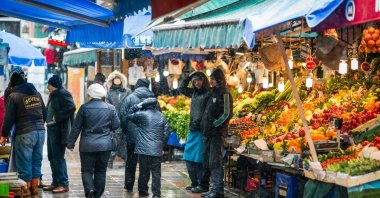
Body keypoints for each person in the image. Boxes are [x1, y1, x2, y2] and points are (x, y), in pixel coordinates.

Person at [67, 83, 120, 198]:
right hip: (105, 145)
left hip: (87, 145)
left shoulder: (84, 108)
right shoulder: (110, 108)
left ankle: (90, 189)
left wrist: (71, 143)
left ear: (90, 94)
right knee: (101, 171)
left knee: (86, 170)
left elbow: (76, 127)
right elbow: (116, 125)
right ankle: (97, 195)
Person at [0, 72, 47, 197]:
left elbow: (8, 119)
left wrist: (4, 135)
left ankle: (26, 192)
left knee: (24, 163)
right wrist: (39, 126)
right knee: (36, 162)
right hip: (41, 132)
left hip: (25, 132)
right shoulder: (36, 93)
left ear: (13, 84)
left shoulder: (14, 96)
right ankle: (35, 191)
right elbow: (45, 113)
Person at [126, 98, 169, 198]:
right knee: (156, 173)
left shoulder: (142, 115)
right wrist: (162, 146)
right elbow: (166, 133)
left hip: (143, 149)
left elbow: (128, 116)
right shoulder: (162, 116)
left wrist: (136, 106)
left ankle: (143, 191)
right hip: (156, 149)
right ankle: (156, 194)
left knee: (143, 171)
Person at [119, 78, 157, 192]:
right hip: (148, 136)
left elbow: (123, 115)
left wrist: (126, 130)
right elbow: (158, 117)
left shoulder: (130, 98)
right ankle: (143, 189)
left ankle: (129, 185)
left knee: (131, 161)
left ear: (137, 86)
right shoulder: (153, 100)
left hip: (133, 135)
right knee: (145, 163)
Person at [200, 69, 233, 198]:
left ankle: (218, 190)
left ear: (218, 80)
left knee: (215, 161)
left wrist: (215, 124)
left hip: (217, 133)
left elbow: (227, 113)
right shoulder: (212, 93)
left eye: (212, 79)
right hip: (208, 133)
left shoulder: (225, 94)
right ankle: (213, 188)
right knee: (209, 161)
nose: (211, 81)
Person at [178, 71, 211, 193]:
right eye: (195, 81)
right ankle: (194, 182)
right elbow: (181, 88)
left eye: (199, 80)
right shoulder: (194, 93)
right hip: (193, 130)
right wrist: (189, 76)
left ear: (204, 80)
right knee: (188, 157)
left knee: (199, 159)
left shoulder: (209, 94)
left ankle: (202, 185)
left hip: (202, 131)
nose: (197, 83)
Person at [43, 75, 76, 193]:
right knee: (52, 157)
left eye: (49, 84)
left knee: (58, 158)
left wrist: (57, 117)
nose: (47, 87)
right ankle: (55, 182)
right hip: (51, 129)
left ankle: (63, 183)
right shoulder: (54, 94)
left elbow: (72, 107)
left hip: (59, 129)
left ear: (54, 85)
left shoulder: (63, 93)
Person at [105, 71, 131, 168]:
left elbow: (130, 103)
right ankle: (110, 160)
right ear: (112, 80)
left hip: (125, 119)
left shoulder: (127, 91)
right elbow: (107, 105)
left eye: (118, 78)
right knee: (115, 140)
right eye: (115, 79)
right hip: (113, 119)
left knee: (124, 140)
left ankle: (125, 160)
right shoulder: (109, 93)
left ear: (121, 80)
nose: (117, 80)